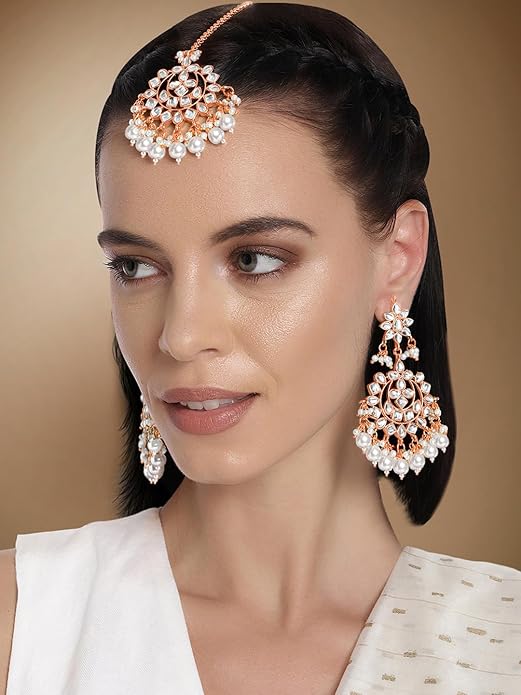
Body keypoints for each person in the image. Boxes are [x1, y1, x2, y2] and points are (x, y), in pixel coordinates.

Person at [1, 2, 520, 693]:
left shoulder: (502, 645)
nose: (181, 335)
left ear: (397, 259)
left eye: (254, 260)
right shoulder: (22, 626)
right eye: (136, 266)